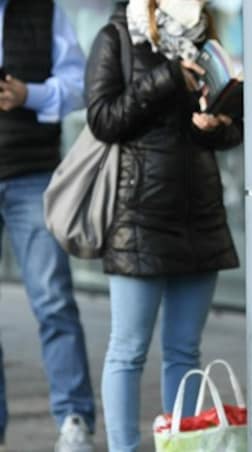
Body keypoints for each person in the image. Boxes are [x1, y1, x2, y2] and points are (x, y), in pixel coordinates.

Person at [84, 0, 242, 450]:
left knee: (185, 351)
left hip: (200, 216)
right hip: (140, 217)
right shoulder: (118, 37)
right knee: (128, 350)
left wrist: (215, 126)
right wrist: (168, 77)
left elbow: (232, 131)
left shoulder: (206, 38)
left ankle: (180, 445)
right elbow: (102, 119)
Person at [0, 0, 96, 451]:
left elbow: (79, 84)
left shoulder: (43, 9)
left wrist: (28, 95)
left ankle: (74, 418)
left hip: (31, 175)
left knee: (53, 299)